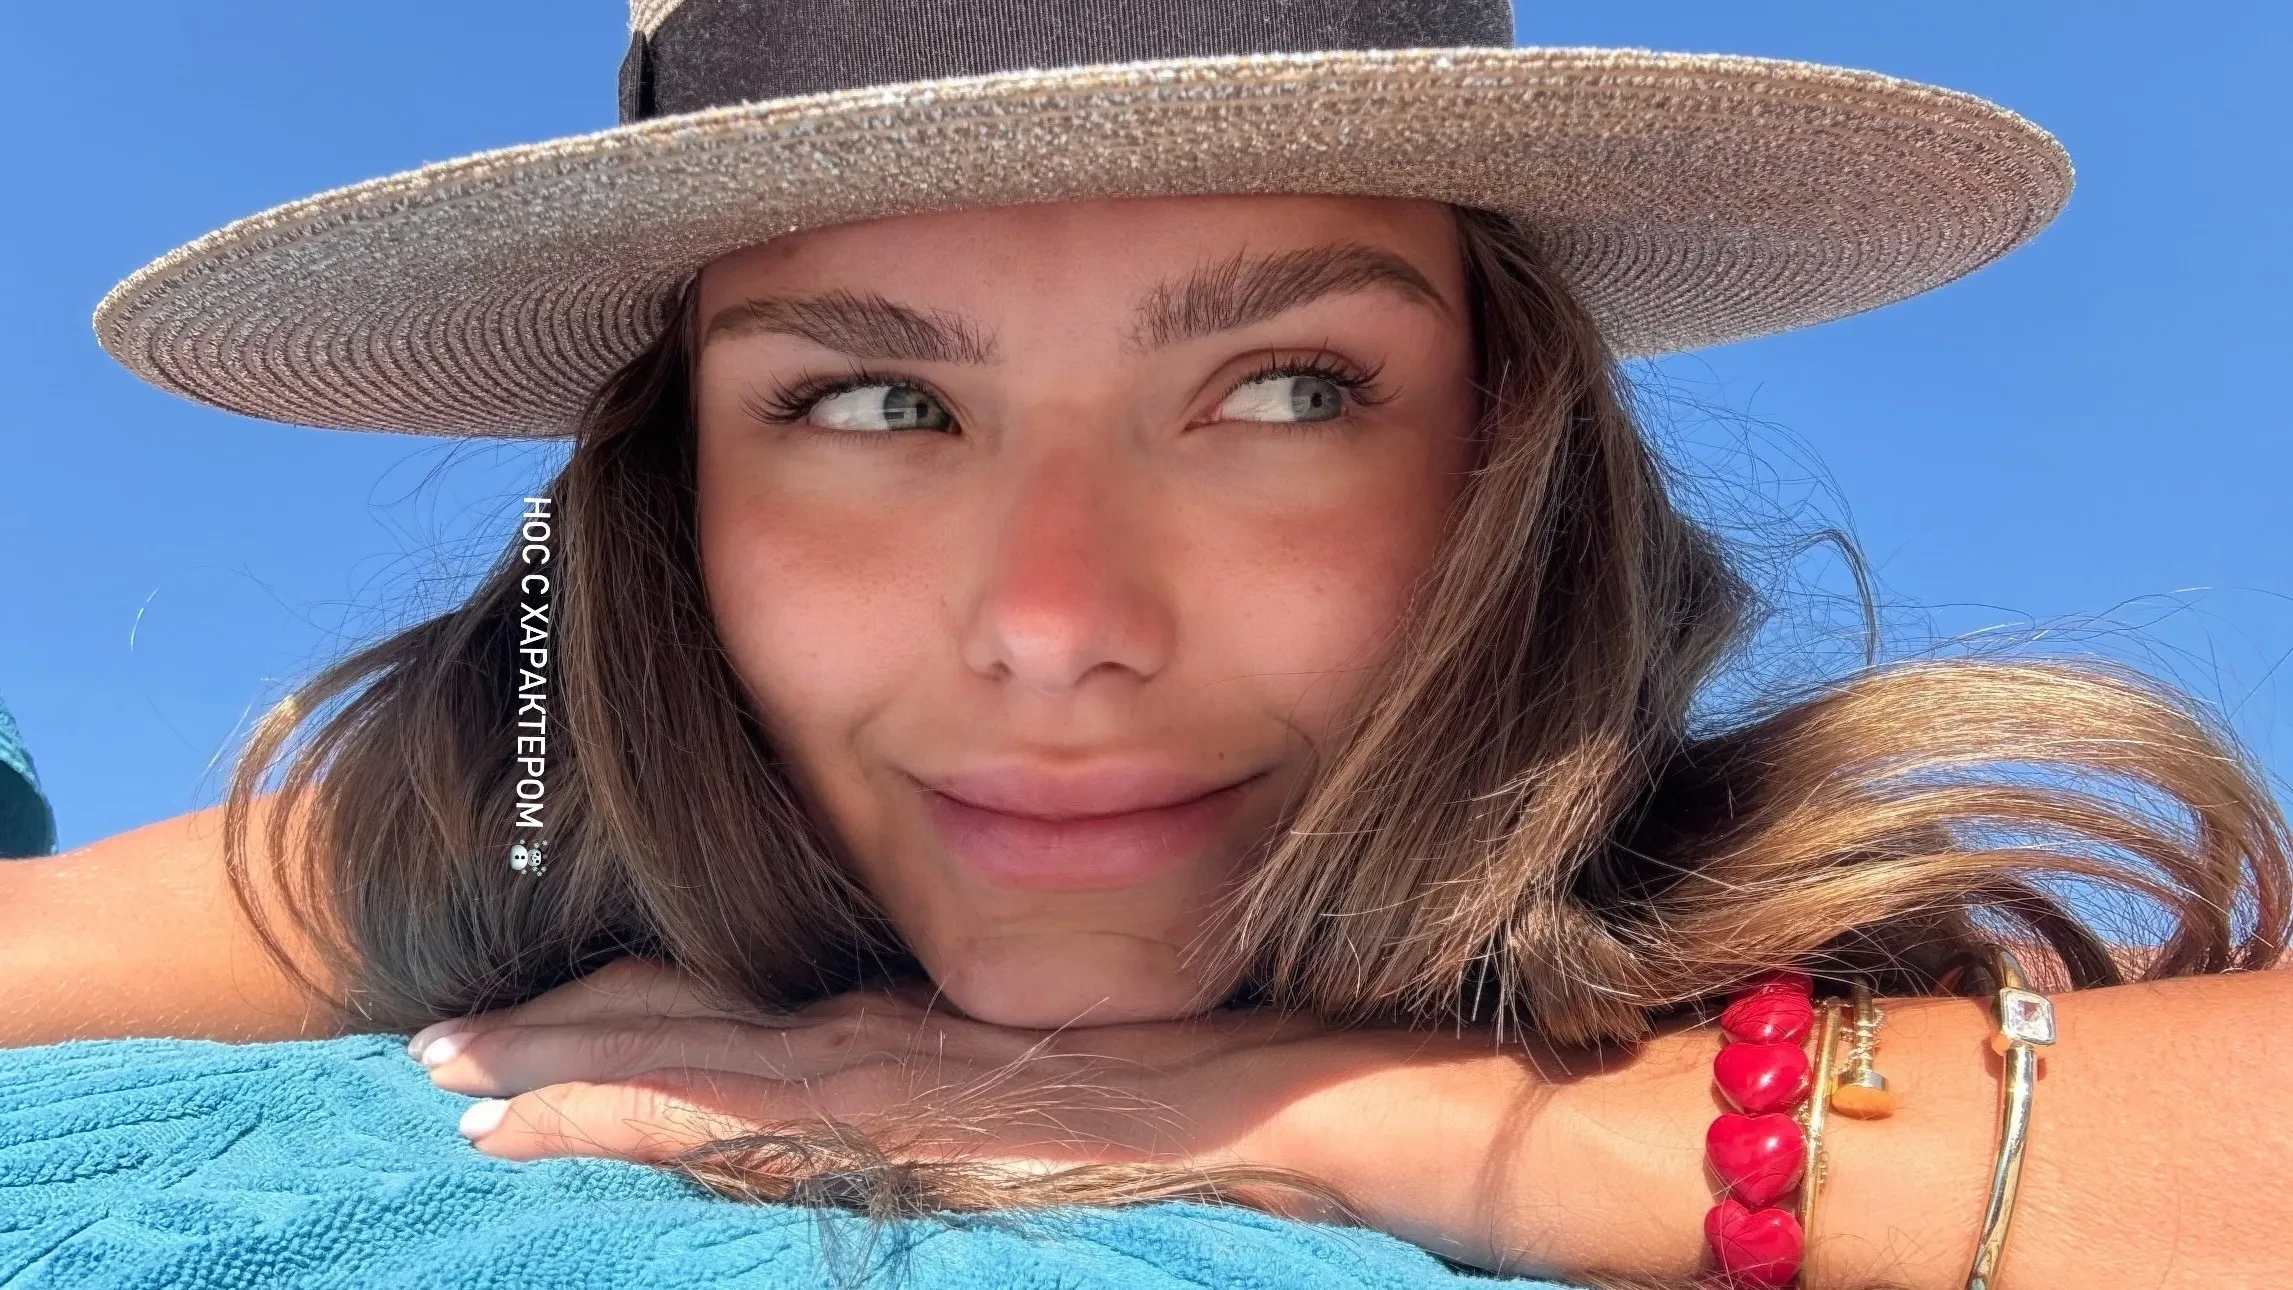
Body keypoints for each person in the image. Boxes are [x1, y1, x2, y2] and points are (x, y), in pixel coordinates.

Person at [6, 2, 2288, 1287]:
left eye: (1284, 393)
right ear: (670, 502)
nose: (1060, 624)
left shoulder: (1743, 890)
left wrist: (1396, 1117)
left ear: (1507, 452)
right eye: (873, 405)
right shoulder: (495, 829)